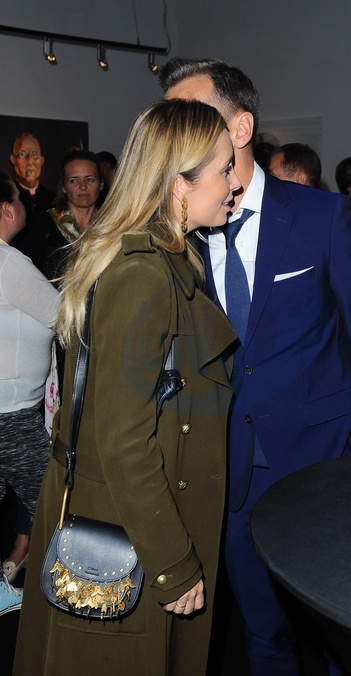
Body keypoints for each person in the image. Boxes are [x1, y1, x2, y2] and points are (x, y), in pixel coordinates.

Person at [160, 58, 351, 676]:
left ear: (240, 128)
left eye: (191, 116)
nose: (174, 132)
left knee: (338, 644)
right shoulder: (177, 237)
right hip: (228, 481)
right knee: (262, 639)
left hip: (324, 473)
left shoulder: (324, 219)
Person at [13, 99, 240, 676]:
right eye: (223, 169)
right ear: (179, 184)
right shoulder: (143, 274)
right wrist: (173, 561)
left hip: (130, 517)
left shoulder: (161, 257)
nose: (234, 183)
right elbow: (122, 440)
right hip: (127, 531)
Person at [0, 170, 60, 587]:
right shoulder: (9, 263)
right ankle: (54, 607)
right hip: (13, 416)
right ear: (7, 210)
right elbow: (63, 315)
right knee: (52, 508)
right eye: (20, 200)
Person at [43, 148, 103, 282]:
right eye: (74, 181)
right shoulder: (44, 223)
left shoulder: (110, 225)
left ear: (101, 183)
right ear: (63, 187)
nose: (83, 186)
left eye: (90, 179)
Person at [9, 132, 55, 268]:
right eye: (22, 154)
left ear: (42, 160)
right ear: (13, 159)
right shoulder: (7, 198)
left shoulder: (54, 199)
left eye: (34, 155)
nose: (30, 162)